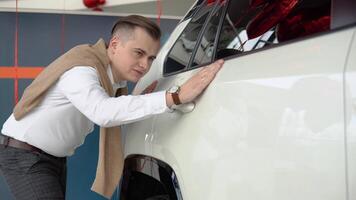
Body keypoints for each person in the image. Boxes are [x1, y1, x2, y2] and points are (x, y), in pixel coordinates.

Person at [0, 15, 224, 200]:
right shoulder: (82, 70)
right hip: (25, 154)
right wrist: (174, 97)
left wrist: (146, 98)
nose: (145, 65)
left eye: (151, 58)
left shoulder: (112, 81)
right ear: (115, 44)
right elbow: (103, 112)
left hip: (49, 157)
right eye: (138, 53)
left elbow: (114, 107)